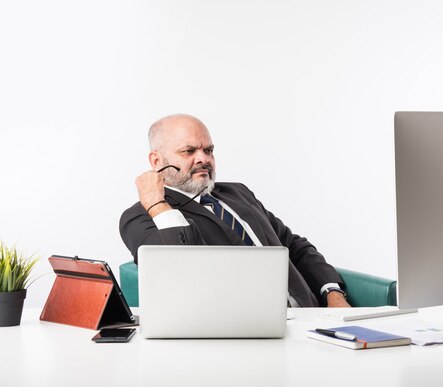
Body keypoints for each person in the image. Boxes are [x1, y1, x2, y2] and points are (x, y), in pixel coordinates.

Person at [119, 114, 351, 307]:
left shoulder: (236, 193)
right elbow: (183, 274)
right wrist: (158, 205)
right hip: (241, 333)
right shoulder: (140, 216)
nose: (203, 159)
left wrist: (333, 293)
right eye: (189, 151)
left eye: (208, 150)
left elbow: (293, 246)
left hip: (308, 319)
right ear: (157, 160)